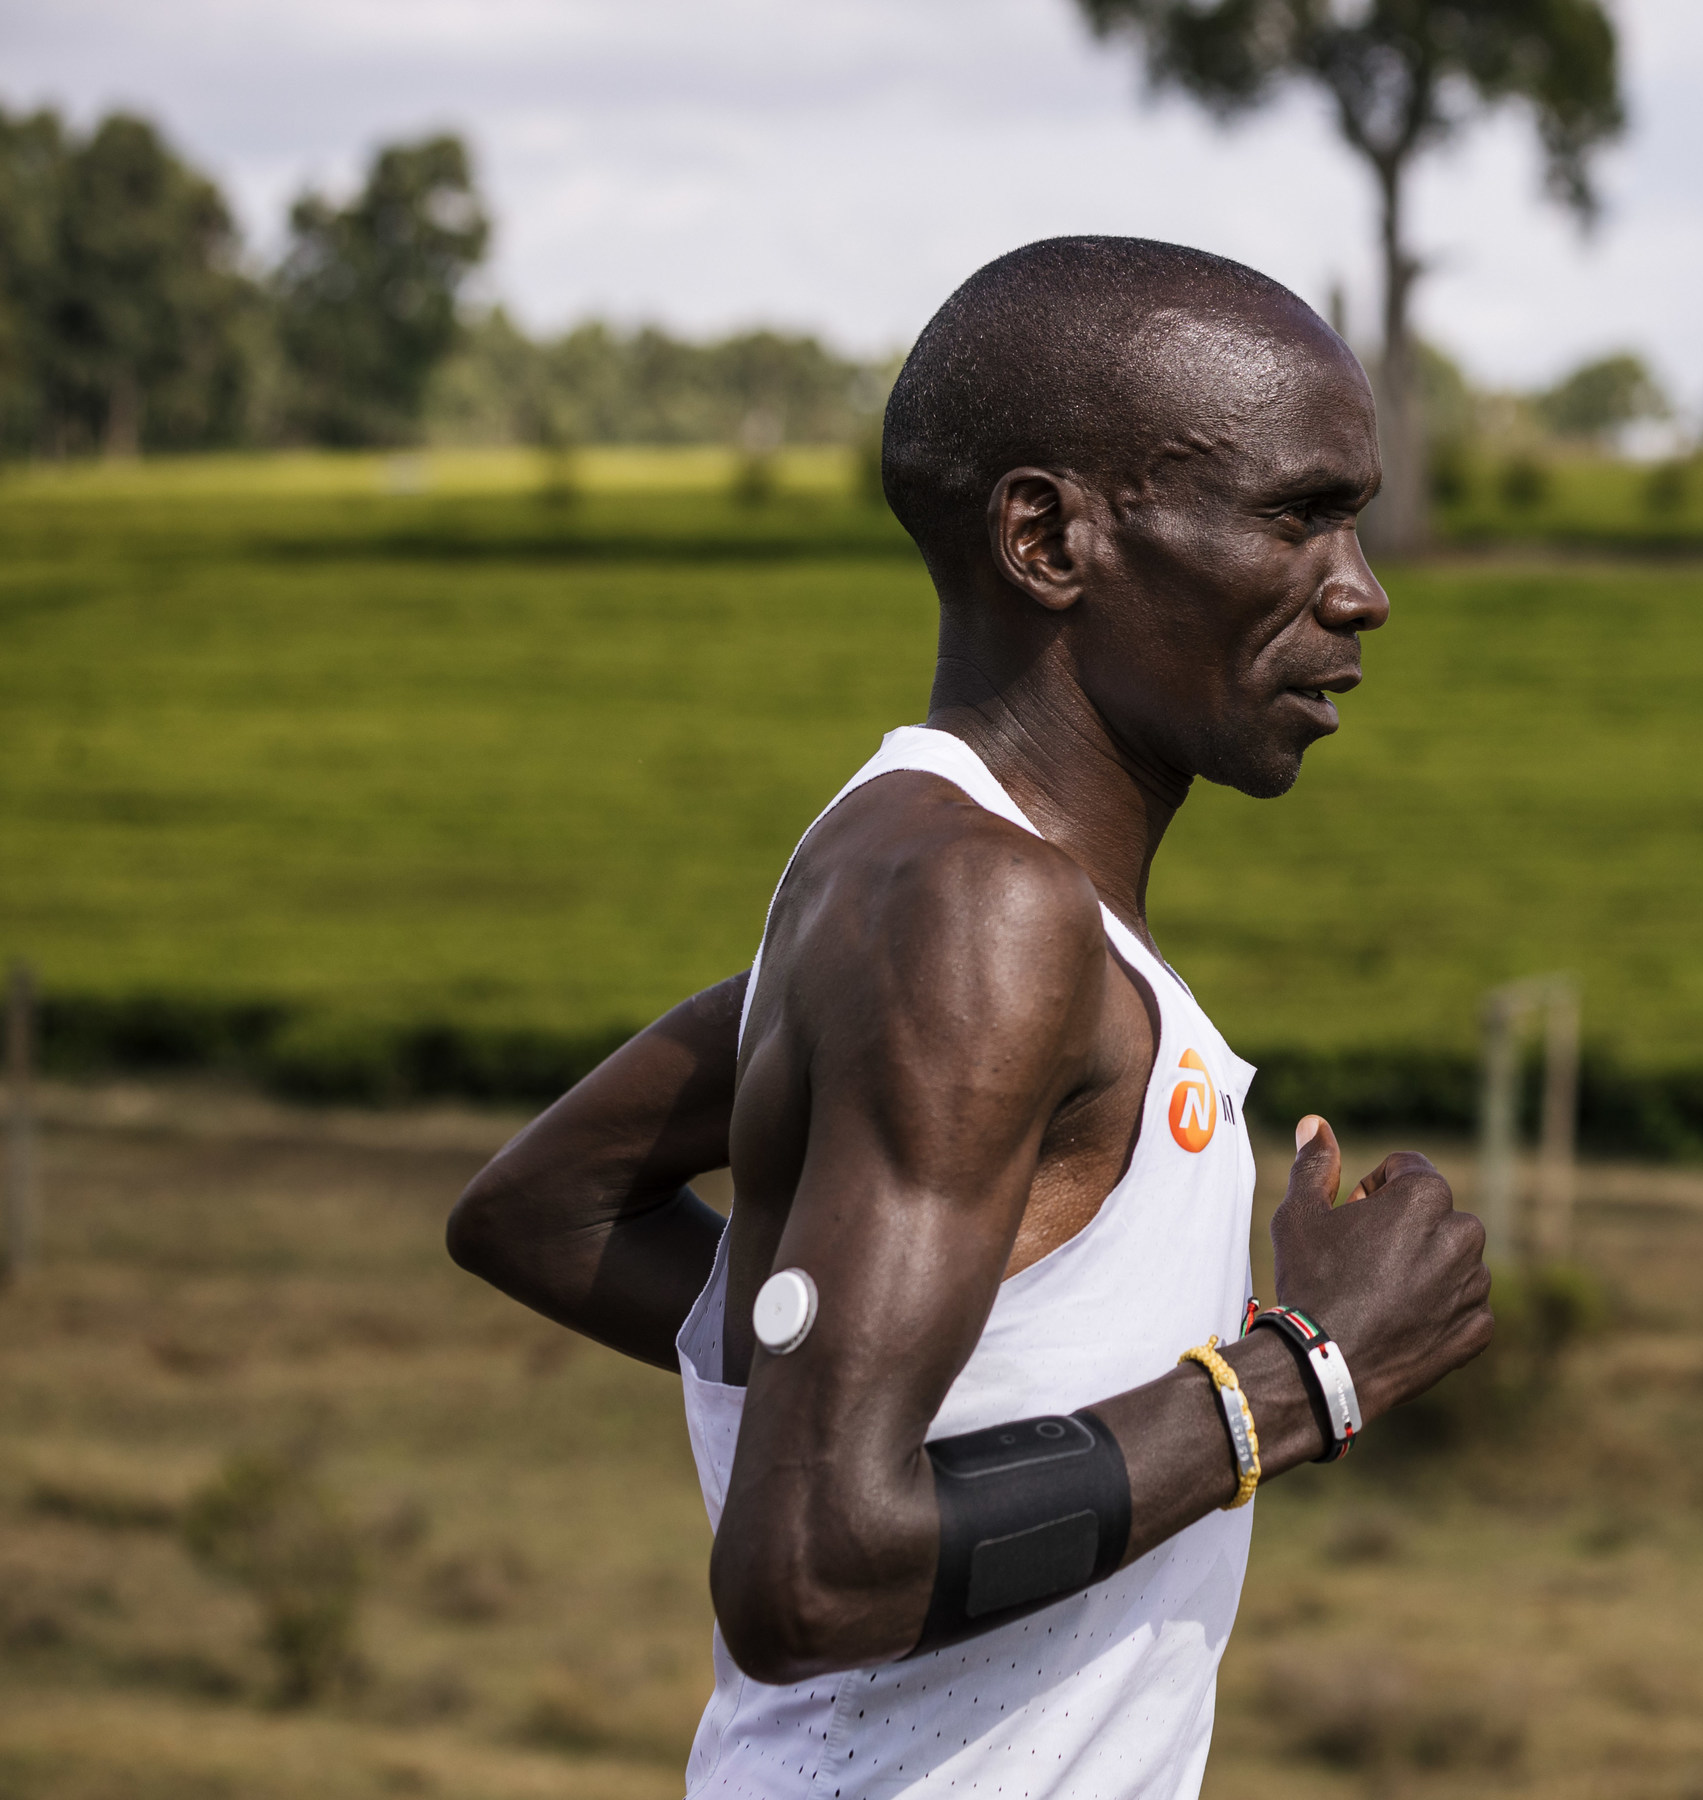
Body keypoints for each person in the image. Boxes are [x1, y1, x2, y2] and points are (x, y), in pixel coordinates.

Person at [446, 236, 1495, 1800]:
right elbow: (808, 1575)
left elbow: (544, 1209)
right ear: (1048, 538)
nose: (1364, 590)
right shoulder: (974, 912)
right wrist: (1307, 1373)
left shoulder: (930, 898)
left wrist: (860, 1356)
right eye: (1296, 517)